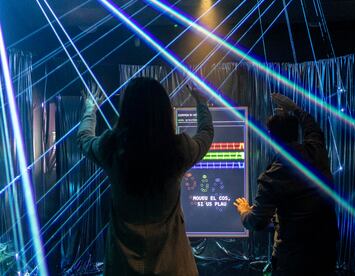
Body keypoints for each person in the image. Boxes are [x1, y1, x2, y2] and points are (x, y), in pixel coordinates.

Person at [77, 78, 214, 275]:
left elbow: (84, 139)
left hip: (122, 267)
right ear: (164, 110)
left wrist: (90, 110)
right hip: (173, 266)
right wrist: (202, 103)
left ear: (126, 111)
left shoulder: (111, 148)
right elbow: (206, 134)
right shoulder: (178, 150)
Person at [234, 93, 339, 276]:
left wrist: (244, 210)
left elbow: (257, 222)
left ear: (270, 137)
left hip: (292, 262)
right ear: (296, 133)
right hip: (325, 256)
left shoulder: (273, 175)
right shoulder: (317, 151)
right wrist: (295, 109)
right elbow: (313, 128)